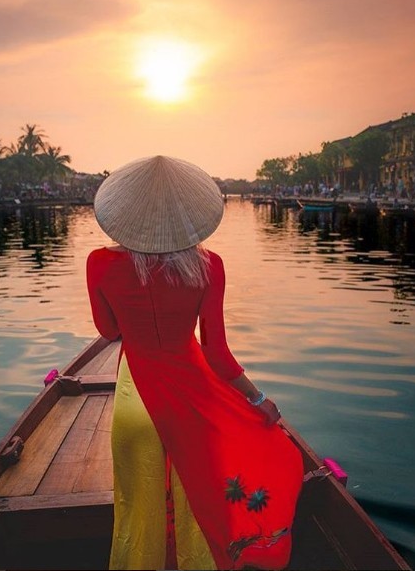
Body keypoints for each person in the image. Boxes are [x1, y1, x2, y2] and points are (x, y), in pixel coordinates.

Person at [86, 155, 303, 570]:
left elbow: (109, 331)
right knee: (198, 516)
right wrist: (258, 400)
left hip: (137, 403)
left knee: (135, 509)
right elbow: (217, 354)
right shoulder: (208, 266)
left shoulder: (99, 263)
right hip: (194, 403)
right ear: (188, 216)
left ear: (126, 216)